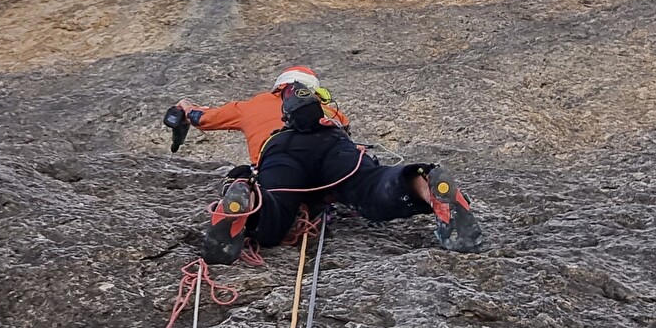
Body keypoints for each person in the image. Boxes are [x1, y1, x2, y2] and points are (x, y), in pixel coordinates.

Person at [175, 66, 482, 264]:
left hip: (280, 149)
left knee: (274, 219)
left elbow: (202, 117)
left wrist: (184, 109)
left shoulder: (250, 106)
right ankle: (424, 184)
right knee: (371, 187)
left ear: (278, 88)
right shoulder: (327, 107)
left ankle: (247, 198)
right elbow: (348, 143)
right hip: (332, 142)